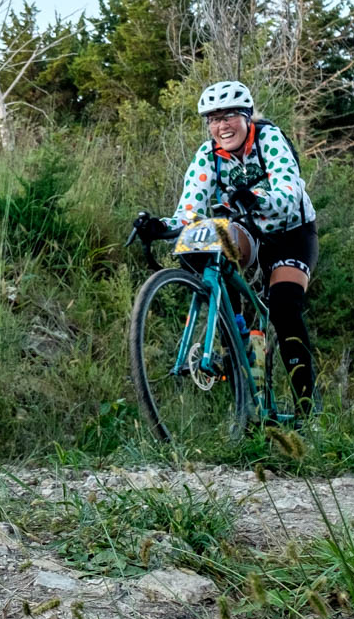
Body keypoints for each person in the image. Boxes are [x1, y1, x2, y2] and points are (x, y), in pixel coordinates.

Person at [133, 80, 319, 419]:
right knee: (204, 241)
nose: (222, 126)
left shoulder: (268, 139)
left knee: (283, 307)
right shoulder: (208, 156)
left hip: (290, 231)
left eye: (229, 116)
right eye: (214, 119)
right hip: (248, 230)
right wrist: (161, 226)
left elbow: (289, 193)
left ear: (246, 116)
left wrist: (256, 197)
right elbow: (188, 212)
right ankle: (234, 330)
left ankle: (309, 411)